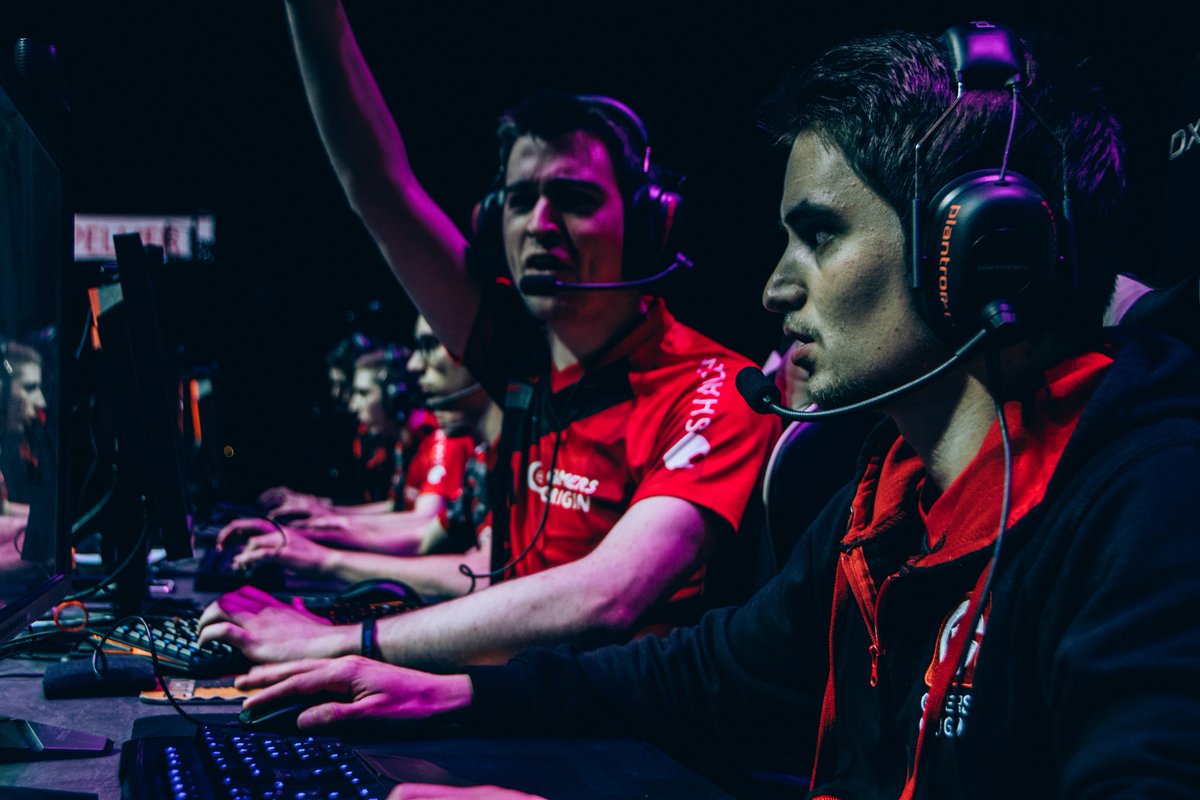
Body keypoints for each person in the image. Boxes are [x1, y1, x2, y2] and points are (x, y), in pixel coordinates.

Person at [229, 21, 1200, 799]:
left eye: (819, 234)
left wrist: (353, 632)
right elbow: (703, 673)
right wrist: (452, 691)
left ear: (984, 253)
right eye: (519, 203)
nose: (775, 288)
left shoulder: (1151, 506)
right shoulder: (891, 492)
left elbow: (609, 599)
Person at [198, 0, 777, 670]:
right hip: (515, 692)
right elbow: (375, 185)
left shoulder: (713, 389)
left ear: (648, 225)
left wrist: (340, 641)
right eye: (521, 200)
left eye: (575, 199)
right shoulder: (522, 351)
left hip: (612, 721)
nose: (540, 224)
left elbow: (607, 596)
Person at [218, 317, 502, 590]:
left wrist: (325, 547)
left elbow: (428, 525)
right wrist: (315, 528)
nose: (350, 404)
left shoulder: (447, 441)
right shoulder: (477, 453)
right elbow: (423, 535)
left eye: (362, 393)